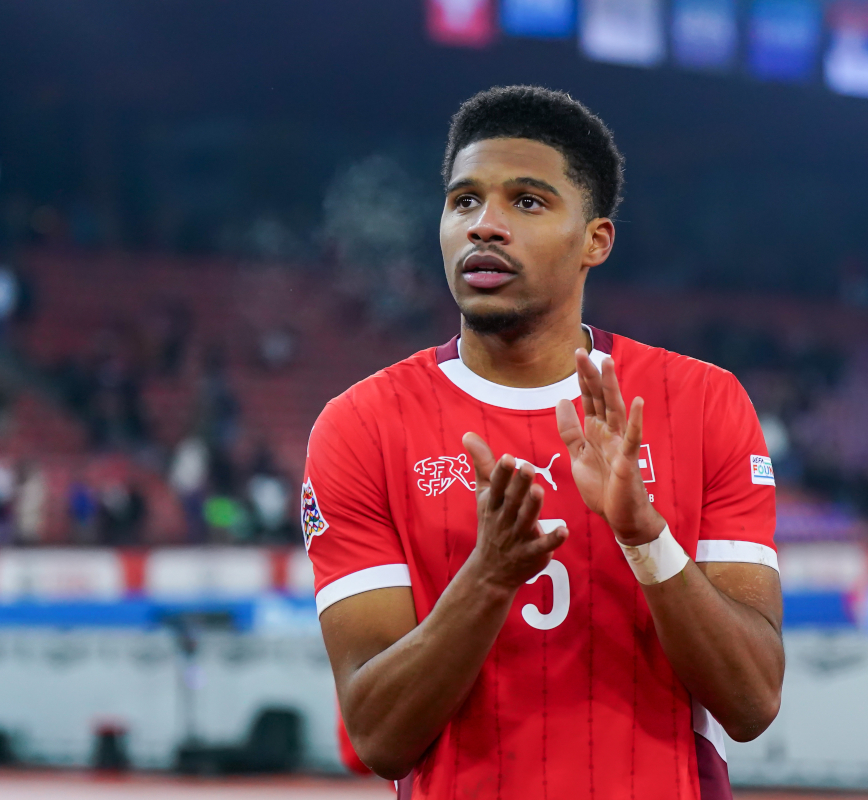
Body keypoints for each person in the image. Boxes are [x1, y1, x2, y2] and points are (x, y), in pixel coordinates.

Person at [304, 86, 783, 800]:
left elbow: (750, 704)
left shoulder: (704, 403)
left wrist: (642, 532)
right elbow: (379, 736)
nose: (485, 226)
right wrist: (490, 574)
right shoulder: (360, 426)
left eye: (527, 202)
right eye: (464, 201)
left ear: (596, 240)